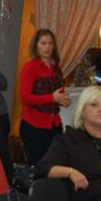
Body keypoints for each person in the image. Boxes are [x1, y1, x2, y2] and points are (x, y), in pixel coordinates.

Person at [19, 28, 71, 165]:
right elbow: (25, 97)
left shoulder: (56, 67)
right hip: (34, 125)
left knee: (57, 163)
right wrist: (52, 98)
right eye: (43, 43)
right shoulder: (30, 67)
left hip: (55, 124)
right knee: (40, 165)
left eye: (50, 43)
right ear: (36, 45)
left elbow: (58, 93)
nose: (47, 47)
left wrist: (63, 100)